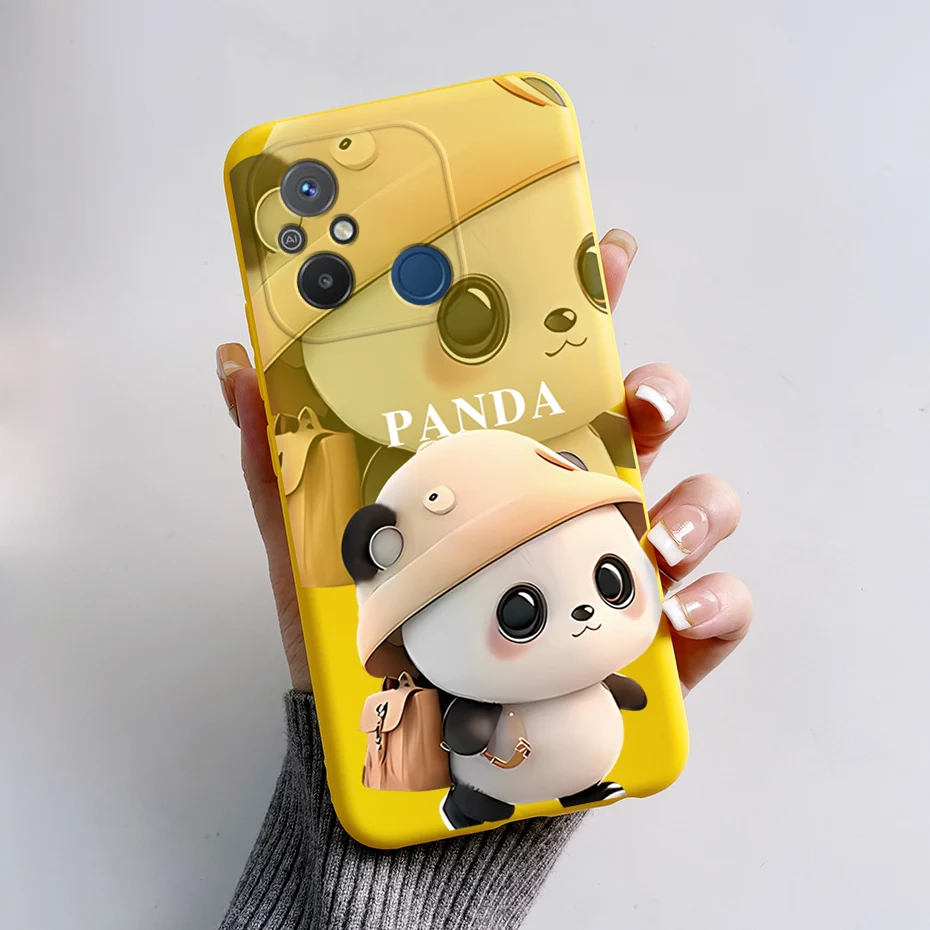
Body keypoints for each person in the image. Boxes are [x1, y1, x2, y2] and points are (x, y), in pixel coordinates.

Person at [214, 229, 753, 930]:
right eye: (520, 613)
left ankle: (568, 782)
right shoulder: (443, 670)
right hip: (481, 783)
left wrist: (621, 686)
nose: (587, 616)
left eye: (612, 583)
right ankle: (479, 803)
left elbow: (617, 686)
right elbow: (463, 730)